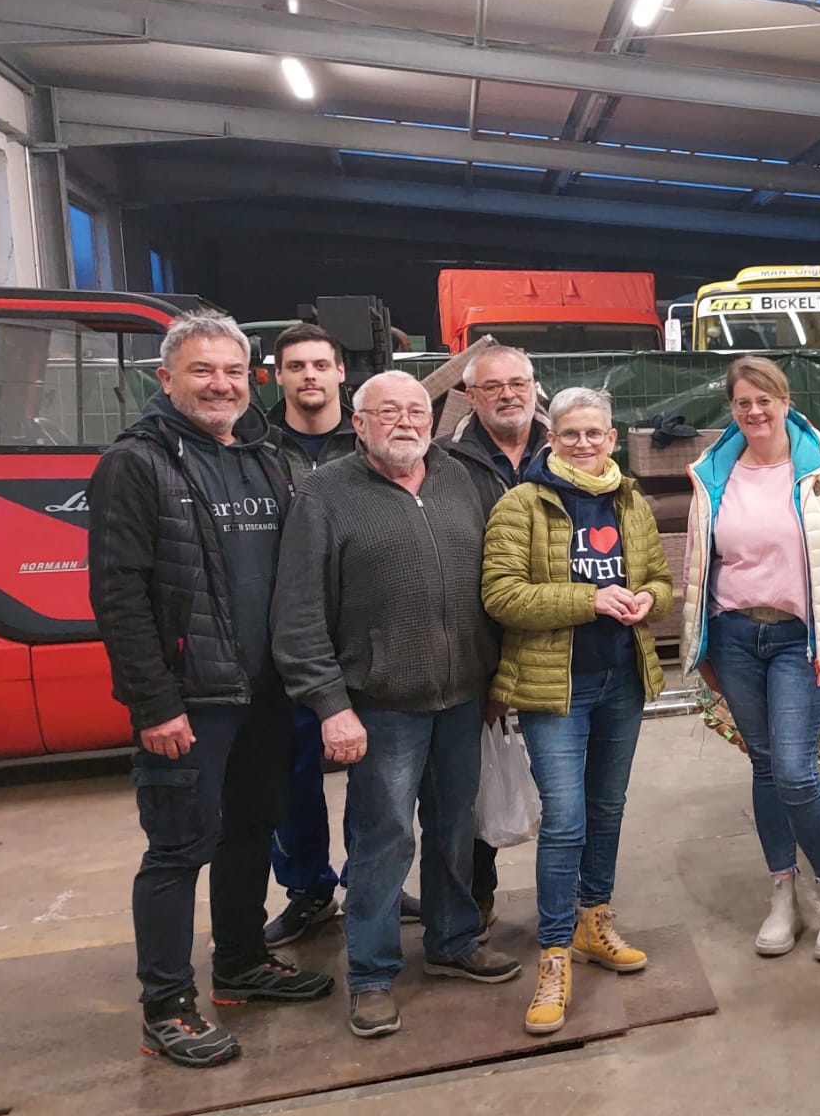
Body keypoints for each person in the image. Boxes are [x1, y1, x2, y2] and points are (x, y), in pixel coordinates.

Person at [89, 311, 333, 1068]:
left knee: (251, 828)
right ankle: (166, 1006)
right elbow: (118, 594)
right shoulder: (136, 463)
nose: (221, 384)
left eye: (232, 371)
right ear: (167, 379)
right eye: (202, 371)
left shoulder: (267, 456)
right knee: (176, 849)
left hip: (265, 690)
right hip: (191, 697)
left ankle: (240, 963)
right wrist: (153, 704)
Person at [274, 370, 521, 1040]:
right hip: (380, 705)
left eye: (416, 410)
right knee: (383, 839)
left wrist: (495, 677)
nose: (405, 422)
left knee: (454, 829)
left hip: (463, 698)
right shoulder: (325, 494)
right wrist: (331, 704)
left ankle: (452, 940)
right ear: (359, 423)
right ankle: (372, 972)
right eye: (388, 411)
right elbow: (297, 615)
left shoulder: (456, 478)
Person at [483, 387, 673, 1035]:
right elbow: (502, 595)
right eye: (571, 434)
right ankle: (555, 951)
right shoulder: (522, 504)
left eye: (595, 433)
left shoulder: (630, 501)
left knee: (607, 808)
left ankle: (595, 919)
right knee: (564, 820)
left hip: (621, 680)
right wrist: (589, 600)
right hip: (554, 687)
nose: (584, 444)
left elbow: (659, 580)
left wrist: (647, 601)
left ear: (612, 439)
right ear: (552, 439)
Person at [683, 357, 820, 961]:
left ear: (785, 402)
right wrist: (699, 644)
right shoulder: (714, 472)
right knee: (765, 767)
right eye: (743, 402)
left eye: (764, 400)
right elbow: (698, 561)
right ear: (732, 409)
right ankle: (782, 892)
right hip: (735, 637)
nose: (754, 411)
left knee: (795, 771)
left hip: (801, 642)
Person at [441, 343, 548, 931]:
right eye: (492, 386)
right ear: (471, 396)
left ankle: (573, 903)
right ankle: (471, 905)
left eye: (518, 383)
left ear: (534, 387)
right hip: (477, 644)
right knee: (469, 790)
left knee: (565, 787)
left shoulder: (563, 449)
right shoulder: (445, 461)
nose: (508, 395)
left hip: (557, 642)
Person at [262, 322, 362, 948]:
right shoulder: (257, 446)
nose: (309, 377)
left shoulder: (371, 437)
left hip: (360, 632)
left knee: (373, 772)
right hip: (283, 637)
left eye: (320, 365)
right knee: (291, 775)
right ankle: (309, 890)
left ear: (340, 372)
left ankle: (369, 881)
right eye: (296, 366)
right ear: (277, 376)